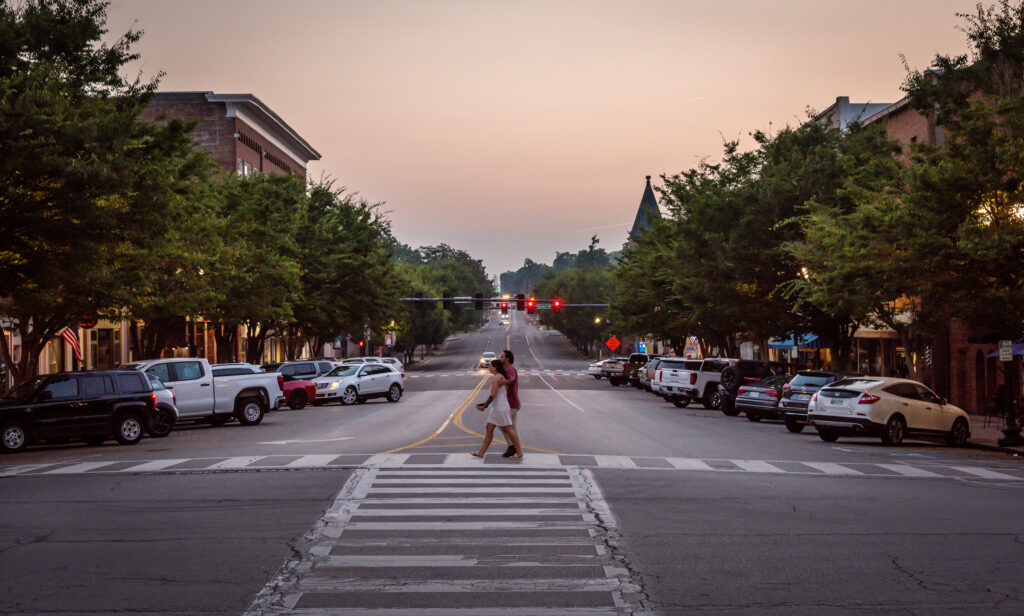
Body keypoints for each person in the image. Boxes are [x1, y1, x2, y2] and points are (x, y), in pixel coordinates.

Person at [472, 358, 523, 459]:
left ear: (495, 368)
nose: (489, 367)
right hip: (496, 408)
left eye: (491, 366)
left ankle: (519, 452)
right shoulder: (499, 376)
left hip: (501, 408)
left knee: (508, 429)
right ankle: (481, 453)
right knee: (489, 428)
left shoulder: (497, 378)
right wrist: (484, 404)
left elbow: (493, 395)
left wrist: (484, 406)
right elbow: (495, 395)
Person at [498, 349, 521, 457]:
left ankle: (512, 446)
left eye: (502, 356)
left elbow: (512, 380)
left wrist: (504, 381)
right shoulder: (506, 369)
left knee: (503, 425)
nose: (500, 358)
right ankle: (516, 449)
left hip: (511, 403)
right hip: (513, 403)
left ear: (507, 358)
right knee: (512, 427)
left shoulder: (510, 369)